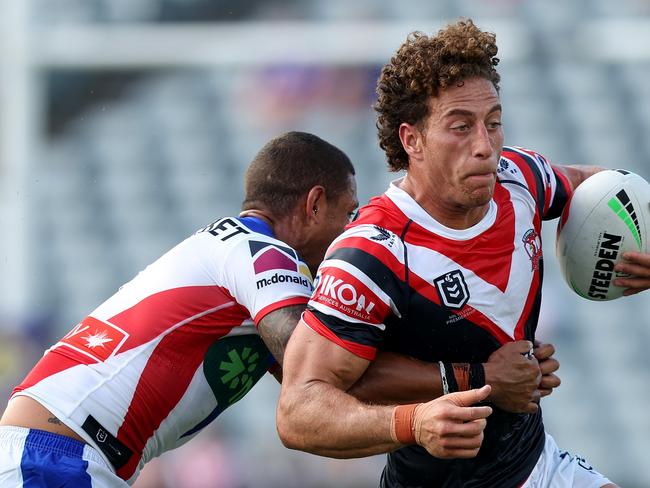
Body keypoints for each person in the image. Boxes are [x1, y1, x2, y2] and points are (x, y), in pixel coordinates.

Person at [0, 131, 503, 488]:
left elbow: (320, 396)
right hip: (56, 457)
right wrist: (468, 373)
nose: (352, 232)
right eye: (348, 214)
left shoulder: (248, 264)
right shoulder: (260, 252)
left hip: (69, 453)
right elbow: (311, 358)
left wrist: (453, 385)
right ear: (313, 204)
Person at [277, 20, 650, 487]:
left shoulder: (520, 178)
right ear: (411, 140)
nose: (485, 146)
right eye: (460, 126)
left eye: (493, 123)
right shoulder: (371, 255)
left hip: (538, 465)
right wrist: (422, 417)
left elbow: (597, 187)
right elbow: (298, 412)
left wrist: (643, 235)